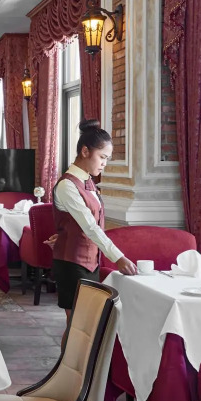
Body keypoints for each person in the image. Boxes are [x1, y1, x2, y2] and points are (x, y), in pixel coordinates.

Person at [51, 119, 137, 326]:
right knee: (77, 325)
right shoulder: (67, 185)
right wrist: (118, 258)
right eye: (102, 157)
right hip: (72, 264)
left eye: (107, 158)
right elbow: (90, 226)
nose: (104, 163)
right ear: (85, 151)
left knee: (87, 326)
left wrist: (64, 234)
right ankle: (69, 351)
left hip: (90, 263)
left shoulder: (88, 181)